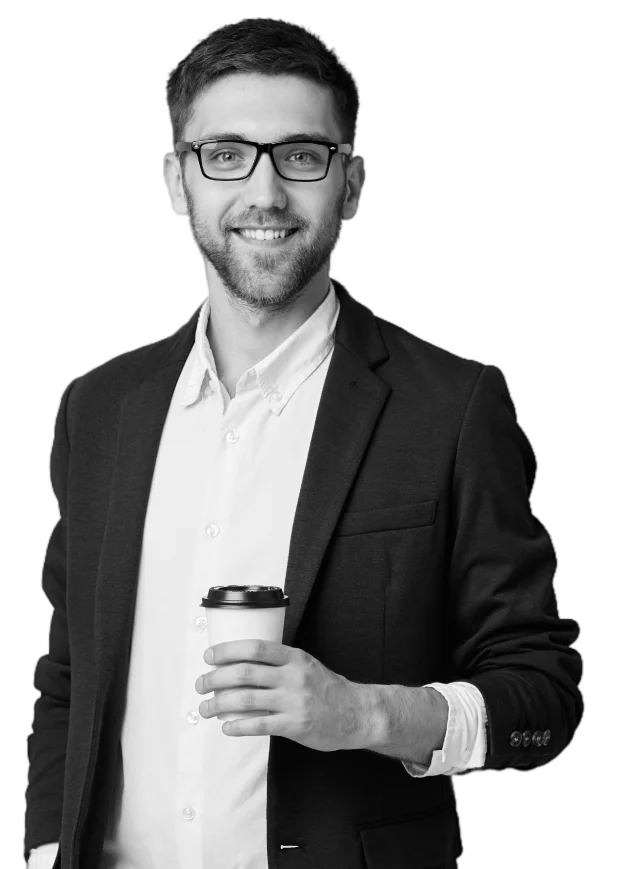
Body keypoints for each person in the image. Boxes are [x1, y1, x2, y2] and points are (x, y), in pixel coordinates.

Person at [24, 16, 583, 869]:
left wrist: (366, 714)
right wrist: (46, 851)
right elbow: (68, 676)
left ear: (352, 183)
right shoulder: (96, 408)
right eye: (225, 155)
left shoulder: (455, 408)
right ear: (174, 181)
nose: (266, 192)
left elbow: (545, 695)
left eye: (301, 155)